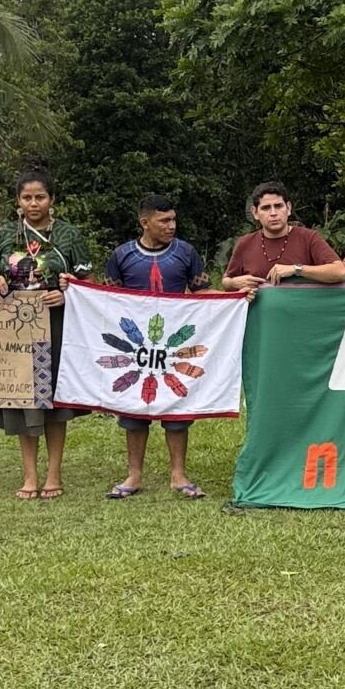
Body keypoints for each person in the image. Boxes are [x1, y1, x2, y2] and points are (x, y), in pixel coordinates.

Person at [0, 169, 93, 500]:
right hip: (17, 328)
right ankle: (29, 475)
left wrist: (67, 294)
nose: (34, 203)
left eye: (40, 197)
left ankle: (53, 474)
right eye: (27, 198)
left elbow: (87, 282)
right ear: (18, 201)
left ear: (52, 200)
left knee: (54, 401)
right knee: (23, 399)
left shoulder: (68, 235)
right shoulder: (6, 234)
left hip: (57, 323)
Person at [102, 194, 212, 498]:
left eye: (173, 219)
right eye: (164, 221)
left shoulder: (186, 252)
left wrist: (237, 297)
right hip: (135, 344)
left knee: (177, 406)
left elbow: (203, 293)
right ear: (145, 222)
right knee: (135, 407)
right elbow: (107, 301)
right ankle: (133, 475)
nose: (171, 226)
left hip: (176, 344)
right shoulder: (121, 255)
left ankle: (179, 474)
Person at [222, 181, 343, 290]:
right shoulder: (245, 243)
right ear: (255, 213)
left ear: (288, 208)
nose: (273, 213)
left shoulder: (308, 237)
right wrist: (234, 283)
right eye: (266, 208)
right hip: (259, 313)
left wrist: (296, 269)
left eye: (278, 206)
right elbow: (226, 281)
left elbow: (339, 271)